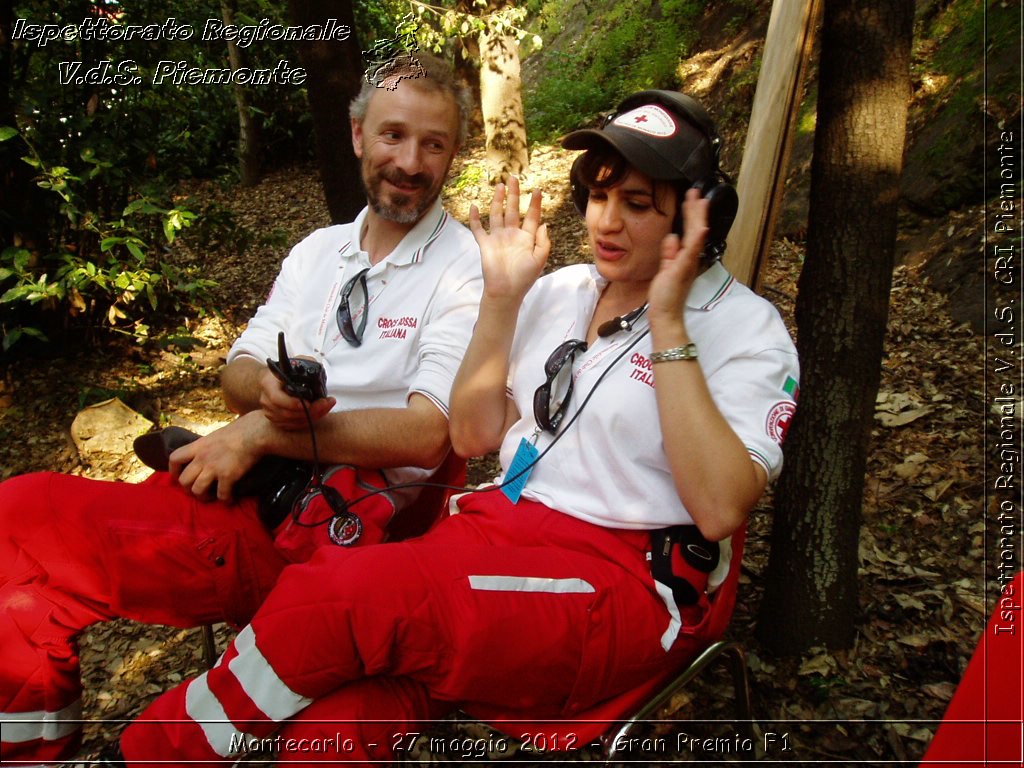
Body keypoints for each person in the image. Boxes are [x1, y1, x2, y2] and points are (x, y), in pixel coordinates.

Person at [105, 90, 800, 767]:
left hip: (623, 584)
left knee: (337, 596)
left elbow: (719, 508)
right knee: (334, 731)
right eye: (598, 195)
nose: (605, 223)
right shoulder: (563, 292)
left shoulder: (746, 331)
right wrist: (503, 298)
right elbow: (472, 436)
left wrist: (669, 323)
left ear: (699, 220)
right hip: (497, 534)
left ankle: (147, 758)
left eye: (638, 205)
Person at [0, 52, 483, 765]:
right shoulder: (318, 252)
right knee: (19, 534)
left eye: (433, 144)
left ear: (453, 155)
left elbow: (428, 432)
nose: (410, 162)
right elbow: (238, 367)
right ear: (357, 136)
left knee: (25, 530)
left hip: (332, 529)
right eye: (393, 135)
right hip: (242, 494)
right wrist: (266, 394)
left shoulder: (463, 265)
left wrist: (264, 433)